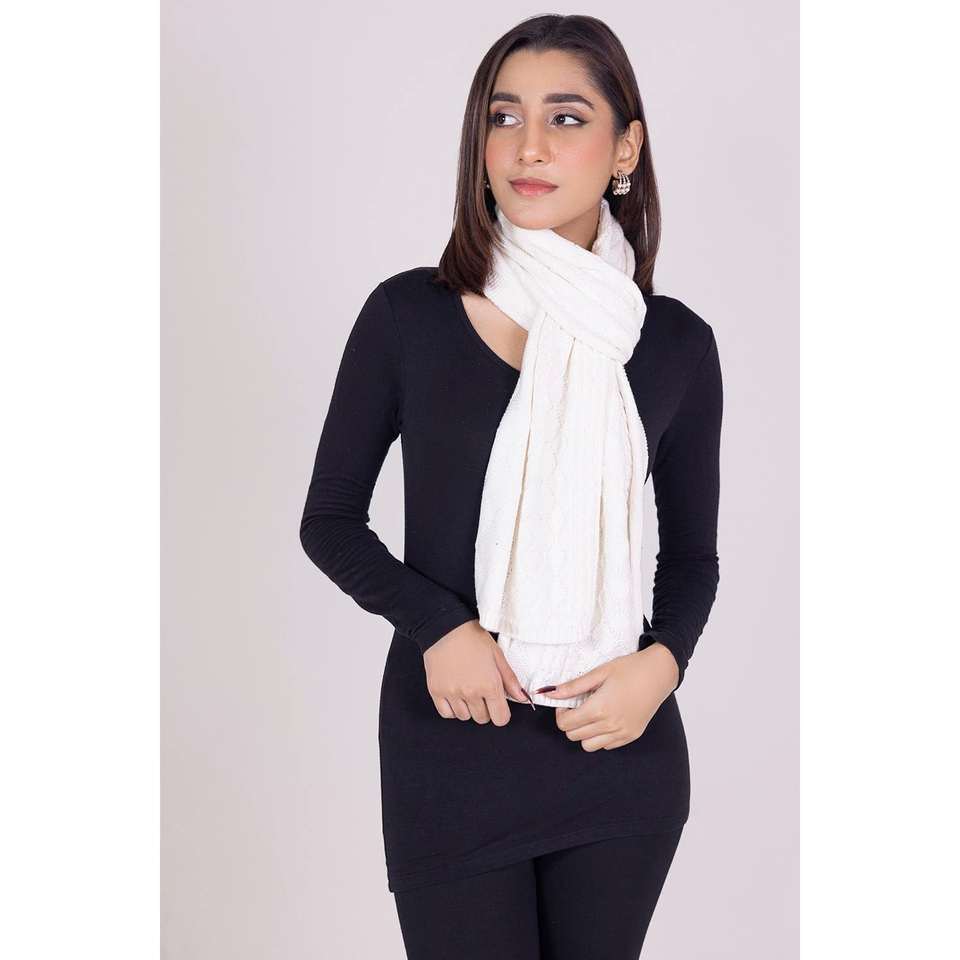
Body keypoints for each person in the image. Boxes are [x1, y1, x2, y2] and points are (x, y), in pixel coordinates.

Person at [299, 14, 722, 960]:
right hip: (452, 745)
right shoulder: (409, 314)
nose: (529, 146)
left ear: (625, 148)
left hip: (616, 750)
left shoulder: (675, 344)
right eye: (504, 116)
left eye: (566, 118)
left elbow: (693, 555)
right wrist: (439, 627)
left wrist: (661, 667)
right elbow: (329, 520)